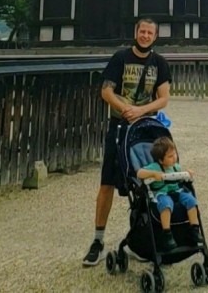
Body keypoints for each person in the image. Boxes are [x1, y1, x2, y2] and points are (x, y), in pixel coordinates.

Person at [82, 18, 172, 267]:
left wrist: (141, 109)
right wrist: (125, 108)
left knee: (148, 183)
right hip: (119, 127)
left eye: (149, 32)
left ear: (155, 36)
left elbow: (163, 98)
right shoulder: (120, 58)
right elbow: (106, 91)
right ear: (136, 32)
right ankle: (98, 241)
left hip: (145, 131)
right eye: (142, 31)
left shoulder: (159, 63)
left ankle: (145, 239)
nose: (145, 35)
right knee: (107, 182)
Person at [136, 136, 204, 250]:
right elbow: (139, 173)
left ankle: (194, 229)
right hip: (162, 194)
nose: (174, 158)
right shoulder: (155, 167)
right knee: (166, 205)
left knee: (191, 201)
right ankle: (167, 233)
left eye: (175, 154)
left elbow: (182, 175)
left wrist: (187, 173)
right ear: (161, 160)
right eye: (170, 156)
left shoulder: (175, 167)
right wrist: (153, 174)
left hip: (177, 192)